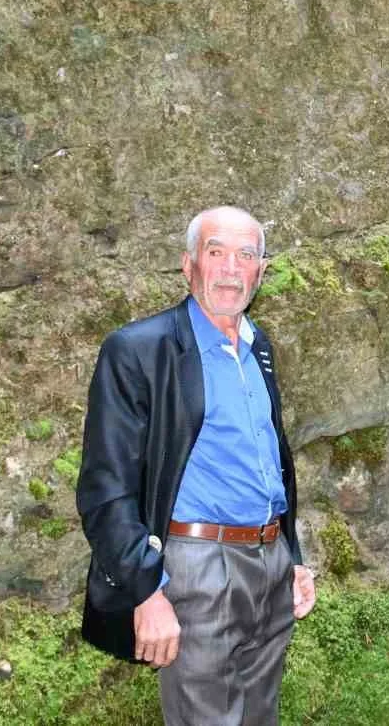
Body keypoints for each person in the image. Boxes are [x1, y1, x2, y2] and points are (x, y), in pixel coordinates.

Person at [76, 206, 317, 726]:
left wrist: (291, 556)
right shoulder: (139, 351)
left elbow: (270, 461)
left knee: (260, 717)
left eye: (246, 255)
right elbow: (105, 488)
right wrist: (146, 589)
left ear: (261, 270)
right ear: (189, 266)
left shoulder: (258, 347)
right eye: (216, 252)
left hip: (270, 562)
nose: (231, 268)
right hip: (195, 569)